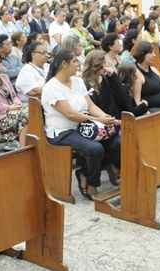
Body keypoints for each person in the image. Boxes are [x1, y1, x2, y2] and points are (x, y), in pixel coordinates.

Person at [41, 49, 121, 199]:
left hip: (83, 127)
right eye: (75, 61)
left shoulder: (77, 81)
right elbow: (70, 114)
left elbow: (90, 106)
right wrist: (98, 120)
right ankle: (91, 183)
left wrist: (105, 117)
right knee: (95, 148)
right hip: (62, 132)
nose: (78, 64)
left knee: (116, 139)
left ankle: (92, 169)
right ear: (64, 64)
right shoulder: (51, 87)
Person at [83, 50, 148, 119]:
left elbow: (124, 101)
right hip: (103, 121)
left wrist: (114, 77)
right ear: (97, 64)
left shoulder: (109, 78)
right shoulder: (86, 84)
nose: (107, 65)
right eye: (105, 62)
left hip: (117, 118)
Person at [133, 41, 160, 112]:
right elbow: (137, 101)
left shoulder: (154, 70)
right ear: (143, 54)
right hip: (152, 112)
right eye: (151, 53)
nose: (154, 55)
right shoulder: (137, 74)